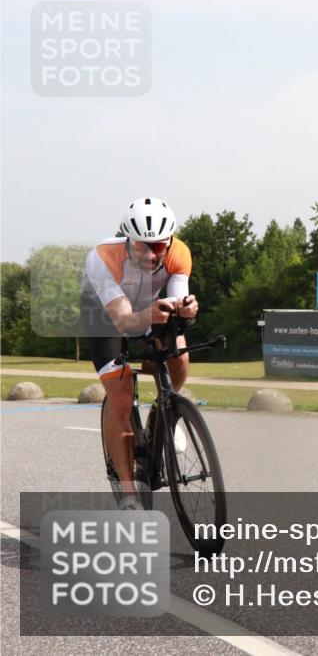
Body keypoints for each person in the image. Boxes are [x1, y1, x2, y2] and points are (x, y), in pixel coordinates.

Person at [80, 198, 198, 506]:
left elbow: (176, 304)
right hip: (105, 316)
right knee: (120, 396)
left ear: (169, 242)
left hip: (146, 308)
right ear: (127, 240)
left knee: (179, 357)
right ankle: (129, 494)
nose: (149, 254)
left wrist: (186, 310)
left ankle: (165, 418)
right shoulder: (103, 257)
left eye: (158, 247)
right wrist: (150, 317)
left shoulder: (179, 253)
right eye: (140, 246)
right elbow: (123, 319)